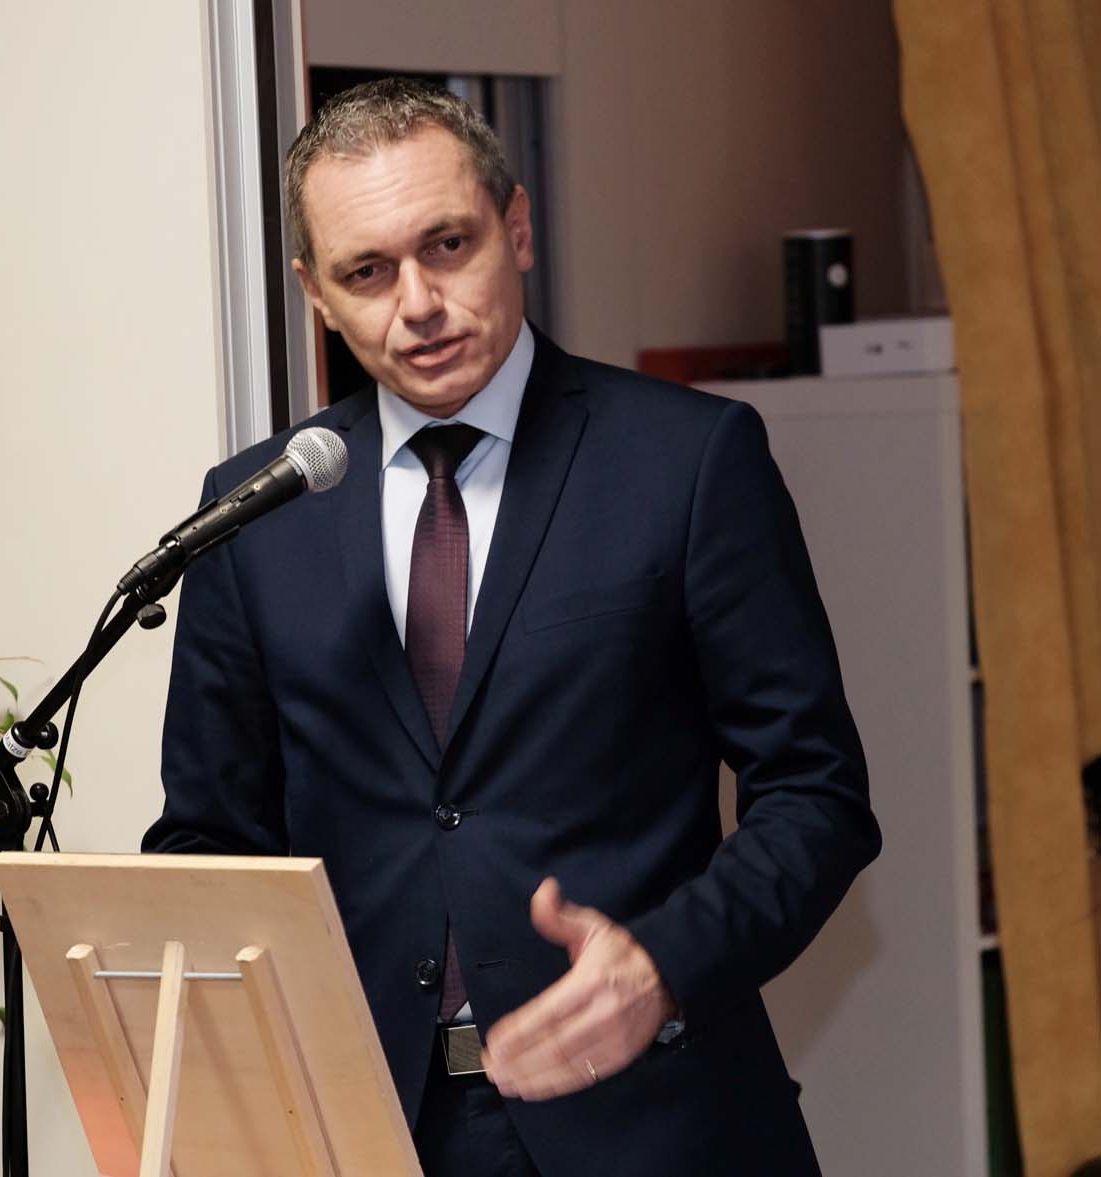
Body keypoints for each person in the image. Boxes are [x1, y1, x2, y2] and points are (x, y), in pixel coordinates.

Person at [143, 78, 881, 1177]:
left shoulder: (687, 460)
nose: (417, 303)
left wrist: (661, 962)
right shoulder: (253, 511)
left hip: (653, 1120)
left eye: (447, 245)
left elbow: (816, 793)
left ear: (517, 229)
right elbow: (210, 842)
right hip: (365, 1132)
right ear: (314, 294)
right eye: (366, 272)